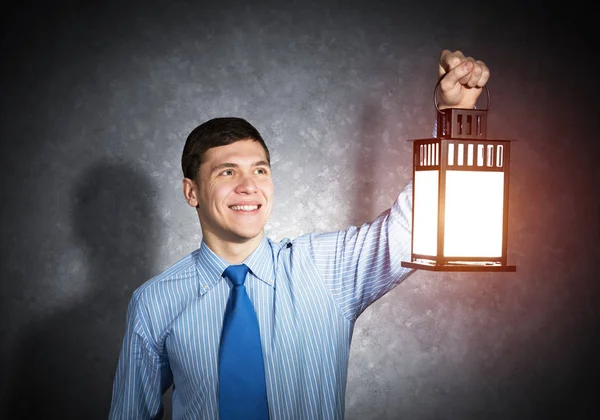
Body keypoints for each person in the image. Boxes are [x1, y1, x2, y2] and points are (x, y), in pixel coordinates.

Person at [109, 49, 490, 419]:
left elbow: (415, 227)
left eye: (259, 170)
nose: (248, 186)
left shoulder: (327, 271)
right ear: (191, 191)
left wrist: (456, 116)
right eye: (227, 172)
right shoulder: (154, 302)